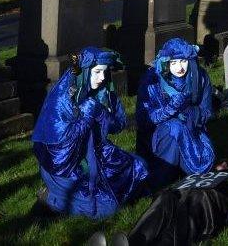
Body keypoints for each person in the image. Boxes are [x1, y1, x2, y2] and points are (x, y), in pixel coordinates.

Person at [31, 47, 148, 219]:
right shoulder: (63, 98)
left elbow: (118, 125)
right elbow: (59, 154)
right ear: (85, 72)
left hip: (98, 153)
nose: (102, 78)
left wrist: (105, 111)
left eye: (105, 72)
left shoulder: (101, 90)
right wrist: (87, 112)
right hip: (68, 168)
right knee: (105, 209)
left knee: (139, 167)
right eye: (97, 72)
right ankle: (50, 197)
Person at [136, 38, 215, 189]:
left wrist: (192, 114)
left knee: (204, 164)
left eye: (183, 61)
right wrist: (171, 109)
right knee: (175, 127)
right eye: (174, 63)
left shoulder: (200, 77)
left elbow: (206, 111)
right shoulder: (151, 80)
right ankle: (165, 171)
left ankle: (181, 165)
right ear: (166, 63)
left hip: (191, 129)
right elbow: (144, 119)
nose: (180, 68)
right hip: (159, 136)